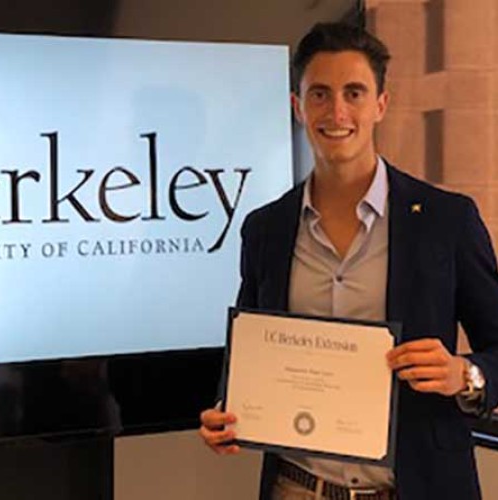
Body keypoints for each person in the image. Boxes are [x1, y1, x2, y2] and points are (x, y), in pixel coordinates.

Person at [199, 22, 498, 500]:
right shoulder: (266, 229)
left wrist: (466, 375)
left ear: (380, 104)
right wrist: (226, 409)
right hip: (295, 489)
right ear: (297, 107)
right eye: (319, 94)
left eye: (353, 93)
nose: (336, 111)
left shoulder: (447, 221)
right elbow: (250, 352)